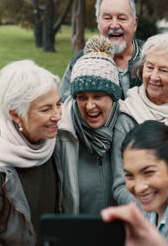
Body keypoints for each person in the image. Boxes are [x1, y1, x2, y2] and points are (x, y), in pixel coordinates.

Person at [0, 60, 62, 245]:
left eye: (58, 104)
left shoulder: (53, 144)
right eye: (46, 109)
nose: (57, 116)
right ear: (15, 115)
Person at [113, 32, 168, 205]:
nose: (154, 76)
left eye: (163, 70)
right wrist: (153, 213)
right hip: (144, 216)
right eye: (149, 67)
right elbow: (120, 186)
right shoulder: (127, 117)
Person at [53, 35, 129, 214]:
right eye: (82, 97)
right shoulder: (62, 132)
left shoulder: (129, 125)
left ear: (113, 96)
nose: (89, 106)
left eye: (98, 96)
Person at [59, 0, 142, 101]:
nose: (114, 25)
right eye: (107, 18)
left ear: (134, 23)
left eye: (122, 18)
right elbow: (64, 105)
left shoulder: (151, 56)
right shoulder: (80, 62)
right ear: (98, 23)